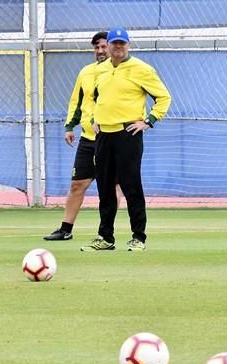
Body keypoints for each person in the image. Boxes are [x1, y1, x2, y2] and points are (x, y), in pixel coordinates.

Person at [80, 27, 171, 251]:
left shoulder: (142, 69)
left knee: (131, 186)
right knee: (105, 187)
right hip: (103, 135)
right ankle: (106, 238)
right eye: (114, 44)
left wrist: (148, 121)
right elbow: (92, 98)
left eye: (122, 44)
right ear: (108, 46)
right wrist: (94, 118)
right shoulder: (100, 70)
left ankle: (138, 237)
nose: (118, 47)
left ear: (128, 46)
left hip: (128, 134)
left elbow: (163, 97)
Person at [44, 31, 117, 241]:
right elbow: (76, 101)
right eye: (97, 47)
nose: (101, 51)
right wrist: (70, 126)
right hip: (88, 139)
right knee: (77, 185)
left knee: (112, 187)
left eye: (104, 46)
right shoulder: (86, 72)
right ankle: (65, 229)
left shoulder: (120, 72)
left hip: (112, 139)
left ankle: (106, 233)